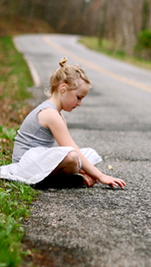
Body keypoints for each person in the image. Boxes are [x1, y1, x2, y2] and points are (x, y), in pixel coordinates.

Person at [11, 57, 126, 189]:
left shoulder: (57, 113)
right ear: (63, 89)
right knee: (72, 156)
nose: (79, 103)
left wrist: (85, 169)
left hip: (37, 161)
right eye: (78, 97)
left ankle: (72, 176)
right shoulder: (50, 113)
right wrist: (102, 176)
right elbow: (71, 149)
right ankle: (53, 180)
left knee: (88, 153)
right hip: (25, 166)